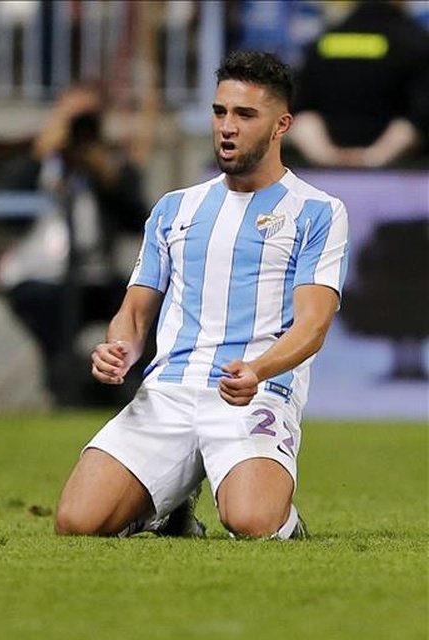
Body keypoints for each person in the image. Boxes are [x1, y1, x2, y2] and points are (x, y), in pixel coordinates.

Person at [55, 51, 349, 540]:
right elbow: (134, 310)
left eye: (244, 115)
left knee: (252, 521)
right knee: (77, 522)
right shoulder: (175, 208)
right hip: (169, 391)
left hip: (254, 394)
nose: (227, 127)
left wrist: (259, 369)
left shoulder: (318, 211)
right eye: (219, 112)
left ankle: (285, 522)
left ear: (281, 125)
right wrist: (120, 348)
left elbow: (314, 323)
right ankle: (168, 509)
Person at [0, 85, 148, 406]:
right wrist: (39, 157)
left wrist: (109, 176)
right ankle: (60, 389)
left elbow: (139, 220)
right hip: (40, 275)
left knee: (143, 307)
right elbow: (7, 219)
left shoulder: (109, 161)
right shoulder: (37, 161)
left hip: (94, 275)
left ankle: (134, 393)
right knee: (52, 317)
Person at [288, 0, 429, 168]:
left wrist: (326, 156)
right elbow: (420, 116)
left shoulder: (323, 41)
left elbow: (300, 110)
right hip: (402, 170)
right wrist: (374, 157)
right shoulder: (416, 42)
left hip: (325, 168)